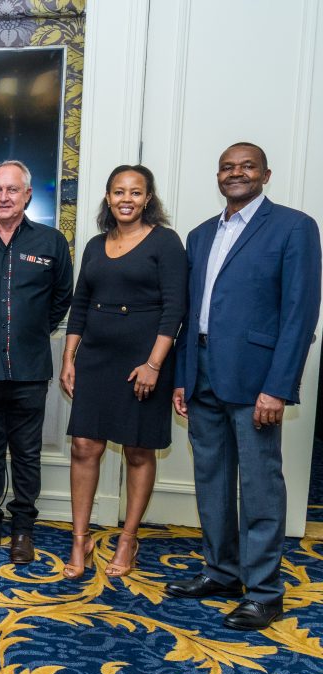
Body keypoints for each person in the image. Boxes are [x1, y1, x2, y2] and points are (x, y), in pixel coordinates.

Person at [166, 143, 321, 630]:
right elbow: (189, 315)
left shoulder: (294, 227)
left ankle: (264, 592)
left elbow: (300, 314)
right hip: (202, 372)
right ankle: (221, 572)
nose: (236, 173)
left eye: (247, 166)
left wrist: (279, 386)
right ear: (218, 176)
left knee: (259, 487)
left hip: (257, 379)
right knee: (210, 482)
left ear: (266, 174)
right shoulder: (199, 234)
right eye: (228, 167)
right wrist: (182, 377)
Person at [59, 165, 187, 579]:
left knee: (137, 449)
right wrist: (68, 358)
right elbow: (80, 304)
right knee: (84, 446)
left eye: (135, 192)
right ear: (108, 197)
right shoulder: (96, 245)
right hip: (96, 357)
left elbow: (175, 310)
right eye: (118, 191)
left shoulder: (165, 243)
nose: (126, 199)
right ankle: (81, 539)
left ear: (148, 198)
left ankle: (128, 538)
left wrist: (154, 364)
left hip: (143, 360)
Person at [0, 160, 73, 564]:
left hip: (29, 367)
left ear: (27, 196)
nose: (4, 197)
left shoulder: (51, 242)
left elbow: (62, 297)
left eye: (12, 190)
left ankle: (23, 530)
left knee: (26, 453)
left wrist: (33, 329)